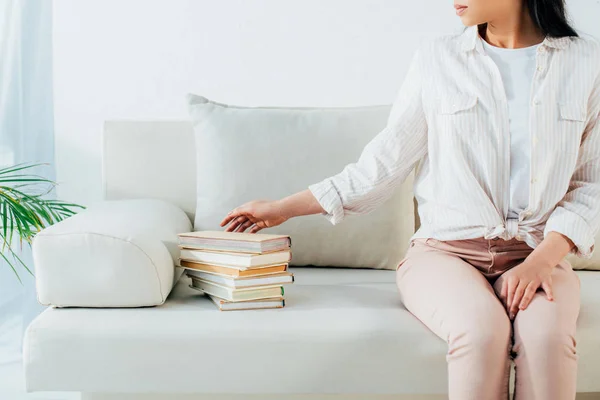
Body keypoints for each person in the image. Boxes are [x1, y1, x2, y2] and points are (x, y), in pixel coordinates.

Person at [219, 1, 600, 399]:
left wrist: (541, 261)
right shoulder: (439, 59)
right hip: (445, 255)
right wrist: (281, 209)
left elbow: (591, 184)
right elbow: (383, 164)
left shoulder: (586, 61)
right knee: (482, 331)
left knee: (548, 340)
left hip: (539, 253)